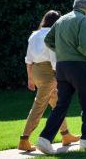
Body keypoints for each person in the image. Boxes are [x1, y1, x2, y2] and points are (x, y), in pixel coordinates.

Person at [37, 0, 86, 154]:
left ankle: (44, 139)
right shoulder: (83, 20)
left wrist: (63, 51)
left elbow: (48, 40)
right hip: (78, 66)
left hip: (62, 67)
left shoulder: (61, 20)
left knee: (61, 105)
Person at [19, 10, 79, 151]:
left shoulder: (34, 35)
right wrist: (60, 77)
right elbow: (54, 61)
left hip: (35, 71)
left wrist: (30, 78)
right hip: (48, 73)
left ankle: (65, 134)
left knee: (57, 103)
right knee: (39, 106)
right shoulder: (54, 36)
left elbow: (28, 59)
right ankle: (24, 139)